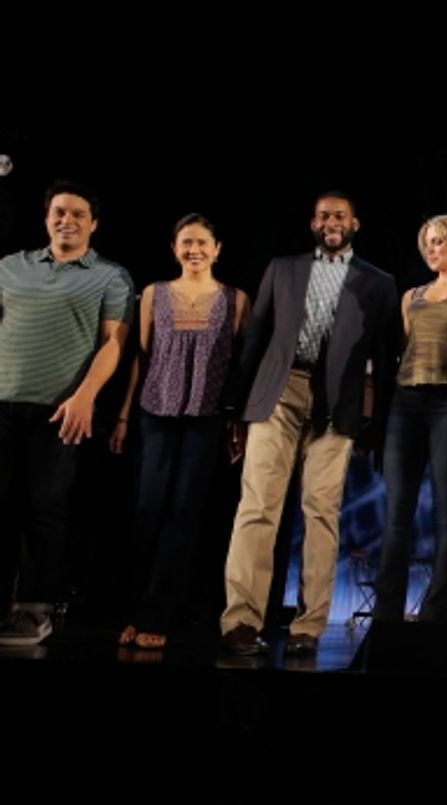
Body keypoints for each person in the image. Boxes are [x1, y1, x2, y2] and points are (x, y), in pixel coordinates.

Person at [220, 192, 399, 656]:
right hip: (278, 392)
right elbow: (255, 338)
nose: (331, 222)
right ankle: (241, 620)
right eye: (323, 215)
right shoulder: (283, 268)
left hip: (338, 402)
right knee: (257, 506)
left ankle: (309, 624)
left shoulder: (378, 283)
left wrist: (373, 424)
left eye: (339, 215)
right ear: (312, 223)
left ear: (354, 223)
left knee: (321, 511)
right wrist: (236, 410)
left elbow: (384, 359)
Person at [0, 181, 134, 645]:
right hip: (3, 402)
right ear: (46, 217)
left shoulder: (110, 276)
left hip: (60, 410)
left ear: (93, 223)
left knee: (45, 508)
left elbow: (113, 343)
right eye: (59, 212)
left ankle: (34, 611)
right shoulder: (10, 267)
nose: (67, 220)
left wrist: (85, 396)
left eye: (78, 214)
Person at [109, 214, 247, 650]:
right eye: (186, 242)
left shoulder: (236, 300)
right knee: (148, 508)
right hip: (155, 412)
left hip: (206, 419)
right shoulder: (153, 294)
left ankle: (159, 613)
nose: (194, 250)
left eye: (202, 243)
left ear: (217, 248)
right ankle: (131, 607)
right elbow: (140, 358)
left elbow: (241, 367)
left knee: (184, 516)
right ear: (173, 247)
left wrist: (236, 424)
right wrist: (124, 415)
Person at [373, 215, 447, 623]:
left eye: (439, 241)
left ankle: (434, 612)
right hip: (405, 404)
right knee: (397, 511)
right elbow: (402, 351)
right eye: (427, 242)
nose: (432, 249)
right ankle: (387, 615)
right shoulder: (413, 296)